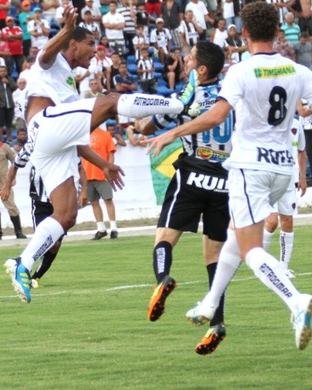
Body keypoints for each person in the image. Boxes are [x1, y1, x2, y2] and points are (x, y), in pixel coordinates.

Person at [145, 1, 312, 351]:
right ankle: (210, 304)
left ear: (243, 33)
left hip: (250, 168)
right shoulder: (295, 69)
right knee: (234, 236)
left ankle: (295, 300)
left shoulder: (241, 72)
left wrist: (173, 132)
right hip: (282, 169)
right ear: (278, 32)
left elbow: (215, 117)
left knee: (250, 249)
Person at [2, 8, 183, 304]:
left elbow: (74, 137)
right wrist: (66, 29)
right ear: (73, 44)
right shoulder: (54, 61)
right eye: (90, 45)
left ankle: (23, 262)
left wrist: (103, 164)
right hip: (44, 125)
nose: (94, 52)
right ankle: (176, 104)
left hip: (50, 143)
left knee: (66, 216)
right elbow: (44, 55)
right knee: (110, 100)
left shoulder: (70, 90)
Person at [136, 41, 233, 355]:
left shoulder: (187, 97)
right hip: (224, 180)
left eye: (190, 59)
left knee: (165, 236)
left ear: (202, 69)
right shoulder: (230, 98)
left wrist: (141, 123)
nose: (185, 61)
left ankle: (163, 279)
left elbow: (152, 124)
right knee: (214, 256)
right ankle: (216, 324)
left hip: (192, 173)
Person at [262, 118, 306, 279]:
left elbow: (301, 151)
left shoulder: (296, 124)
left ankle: (283, 267)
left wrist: (302, 177)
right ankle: (262, 264)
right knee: (272, 221)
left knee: (287, 221)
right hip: (270, 179)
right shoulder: (267, 122)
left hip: (289, 179)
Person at [83, 125, 119, 240]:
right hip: (87, 173)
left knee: (108, 199)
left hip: (101, 173)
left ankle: (113, 228)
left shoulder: (105, 135)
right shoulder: (82, 135)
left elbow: (111, 154)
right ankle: (101, 228)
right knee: (94, 202)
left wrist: (108, 169)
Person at [0, 65, 17, 142]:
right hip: (0, 105)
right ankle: (1, 138)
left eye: (4, 71)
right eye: (1, 71)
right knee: (0, 124)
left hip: (10, 105)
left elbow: (15, 88)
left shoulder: (10, 79)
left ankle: (9, 138)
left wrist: (8, 83)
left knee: (9, 123)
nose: (2, 73)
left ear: (6, 71)